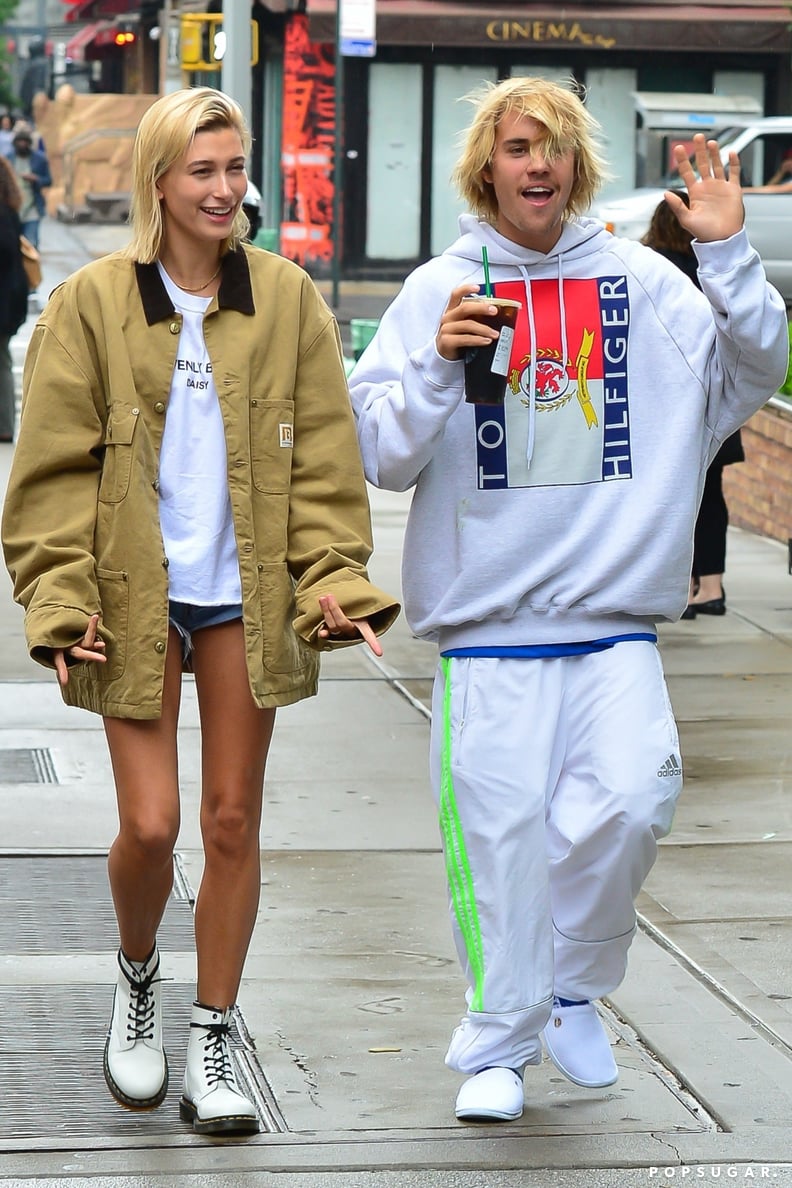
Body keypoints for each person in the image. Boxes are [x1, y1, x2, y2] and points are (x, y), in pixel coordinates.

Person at [348, 75, 788, 1124]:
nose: (534, 164)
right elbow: (381, 452)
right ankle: (496, 1046)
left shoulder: (645, 286)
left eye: (551, 147)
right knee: (499, 846)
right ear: (486, 167)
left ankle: (572, 989)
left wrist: (728, 254)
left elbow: (753, 373)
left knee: (634, 803)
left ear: (577, 165)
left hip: (613, 624)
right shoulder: (436, 292)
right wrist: (442, 373)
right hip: (489, 634)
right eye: (515, 147)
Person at [2, 86, 399, 1136]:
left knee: (229, 820)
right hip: (132, 598)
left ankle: (214, 1029)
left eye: (237, 168)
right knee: (151, 823)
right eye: (205, 171)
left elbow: (323, 462)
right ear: (162, 184)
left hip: (240, 595)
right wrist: (58, 595)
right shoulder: (90, 304)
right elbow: (48, 475)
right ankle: (138, 977)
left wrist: (333, 577)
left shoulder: (287, 300)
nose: (227, 189)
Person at [641, 193, 743, 619]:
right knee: (712, 496)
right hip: (713, 395)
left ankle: (681, 585)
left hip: (668, 402)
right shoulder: (708, 271)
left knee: (669, 494)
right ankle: (712, 586)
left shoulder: (649, 269)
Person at [0, 156, 30, 442]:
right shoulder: (10, 208)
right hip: (11, 298)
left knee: (3, 362)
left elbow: (7, 250)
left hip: (5, 301)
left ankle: (6, 424)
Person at [4, 122, 52, 249]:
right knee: (13, 247)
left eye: (25, 141)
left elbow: (48, 180)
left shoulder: (39, 159)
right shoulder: (8, 159)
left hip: (32, 209)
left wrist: (36, 179)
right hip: (13, 210)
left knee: (31, 246)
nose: (22, 144)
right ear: (15, 142)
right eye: (20, 141)